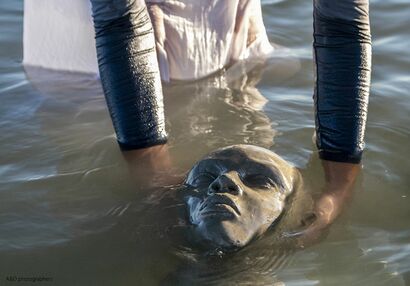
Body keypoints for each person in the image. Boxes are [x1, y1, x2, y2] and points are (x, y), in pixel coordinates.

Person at [87, 0, 371, 239]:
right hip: (108, 30)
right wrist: (150, 170)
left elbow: (342, 26)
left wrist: (337, 187)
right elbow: (119, 21)